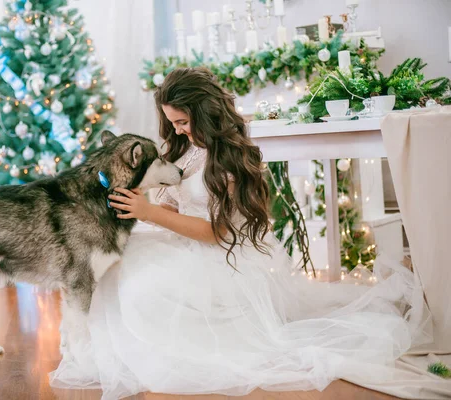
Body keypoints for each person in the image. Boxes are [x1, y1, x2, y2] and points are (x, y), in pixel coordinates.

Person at [50, 67, 423, 399]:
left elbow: (217, 233)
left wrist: (149, 212)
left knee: (141, 290)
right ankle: (114, 352)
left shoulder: (228, 157)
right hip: (180, 241)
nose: (178, 131)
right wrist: (142, 208)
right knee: (111, 267)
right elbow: (176, 209)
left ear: (205, 112)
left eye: (183, 122)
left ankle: (161, 354)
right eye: (173, 123)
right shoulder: (183, 150)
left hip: (218, 257)